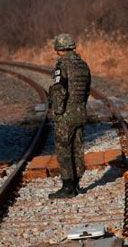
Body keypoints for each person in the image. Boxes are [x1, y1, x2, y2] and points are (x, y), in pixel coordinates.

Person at [48, 33, 91, 199]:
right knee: (77, 148)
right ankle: (76, 184)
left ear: (59, 49)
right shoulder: (83, 65)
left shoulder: (62, 65)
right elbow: (87, 90)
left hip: (66, 113)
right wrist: (81, 106)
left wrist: (57, 111)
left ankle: (67, 187)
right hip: (80, 111)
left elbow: (59, 90)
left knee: (63, 148)